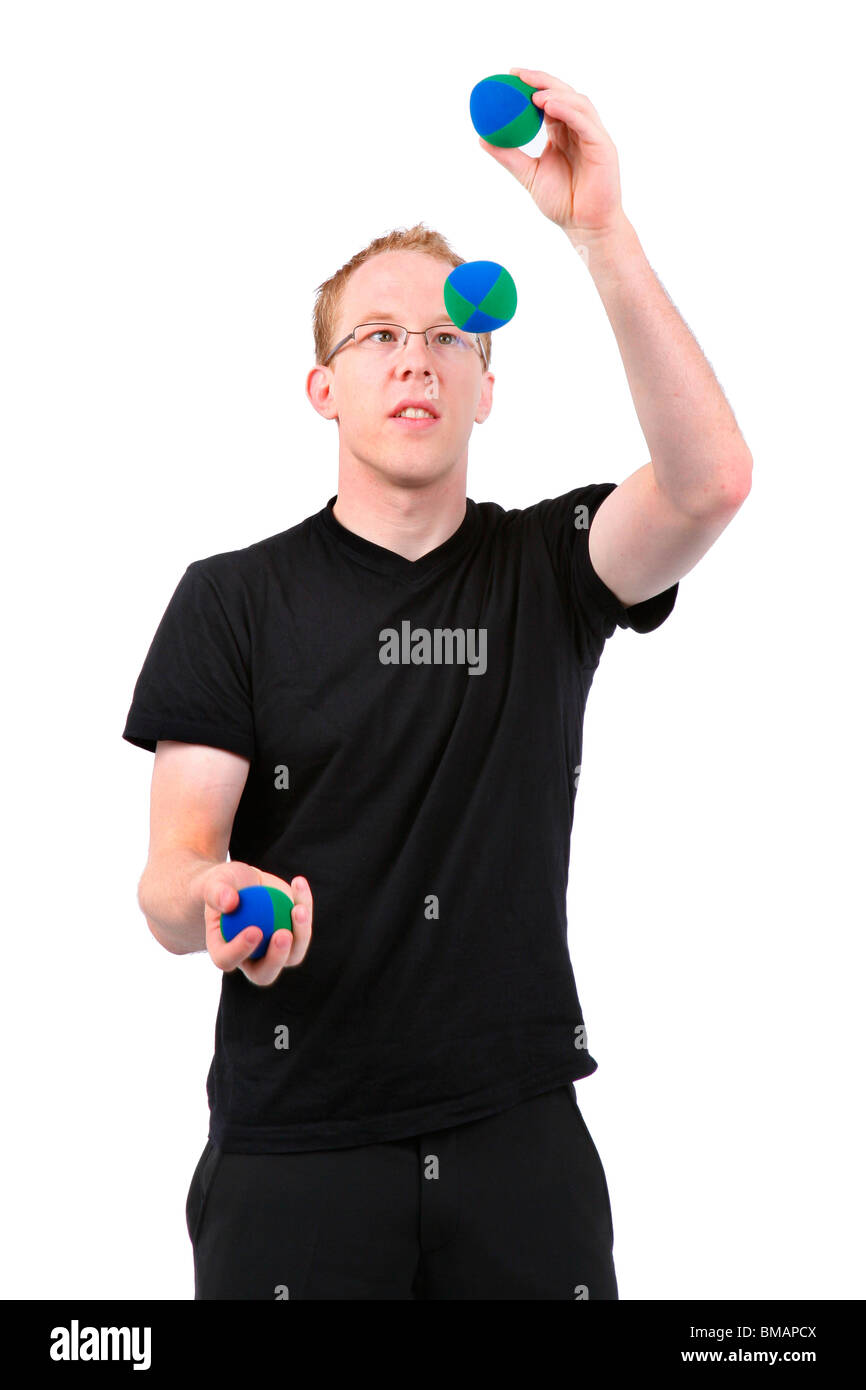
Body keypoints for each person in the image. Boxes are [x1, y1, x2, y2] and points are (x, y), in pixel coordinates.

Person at [123, 71, 752, 1300]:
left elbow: (709, 482)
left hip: (515, 1136)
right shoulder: (230, 598)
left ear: (483, 384)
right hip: (294, 1144)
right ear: (325, 390)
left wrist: (595, 231)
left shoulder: (551, 568)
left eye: (447, 334)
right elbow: (164, 878)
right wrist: (215, 888)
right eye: (376, 336)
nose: (414, 356)